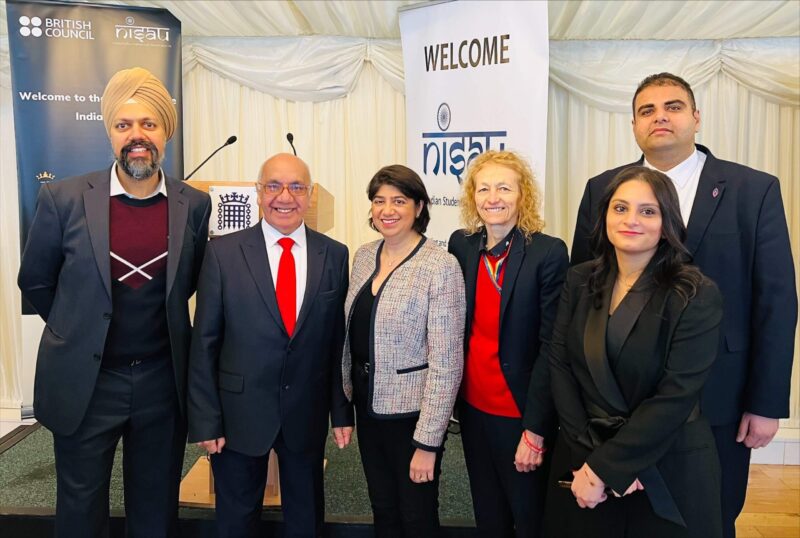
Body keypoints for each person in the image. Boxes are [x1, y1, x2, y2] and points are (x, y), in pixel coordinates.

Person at [570, 72, 797, 538]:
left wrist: (766, 400)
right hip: (620, 400)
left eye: (673, 107)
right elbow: (582, 299)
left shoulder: (753, 189)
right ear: (633, 125)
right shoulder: (603, 190)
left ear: (695, 118)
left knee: (711, 516)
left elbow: (776, 299)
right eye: (647, 110)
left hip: (720, 395)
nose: (660, 117)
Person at [17, 67, 211, 538]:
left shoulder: (194, 205)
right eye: (124, 126)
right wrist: (80, 329)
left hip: (160, 383)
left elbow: (186, 285)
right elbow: (37, 282)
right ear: (110, 133)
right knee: (80, 509)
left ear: (166, 132)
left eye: (149, 124)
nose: (137, 136)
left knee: (155, 505)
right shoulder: (62, 198)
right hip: (87, 382)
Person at [551, 166, 724, 537]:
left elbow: (676, 395)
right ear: (604, 216)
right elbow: (560, 365)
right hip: (585, 456)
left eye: (648, 211)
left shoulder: (695, 293)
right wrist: (590, 459)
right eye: (620, 208)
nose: (632, 220)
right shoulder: (580, 279)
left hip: (667, 462)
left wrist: (608, 468)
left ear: (668, 221)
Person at [187, 153, 351, 538]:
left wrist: (341, 412)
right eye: (274, 186)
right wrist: (206, 419)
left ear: (309, 196)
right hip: (238, 416)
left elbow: (336, 342)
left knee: (306, 520)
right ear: (259, 193)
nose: (285, 196)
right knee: (236, 520)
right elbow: (204, 343)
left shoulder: (334, 255)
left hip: (305, 414)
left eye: (296, 187)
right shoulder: (222, 254)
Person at [447, 150, 568, 538]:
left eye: (504, 187)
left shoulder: (546, 252)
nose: (493, 197)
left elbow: (552, 347)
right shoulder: (462, 245)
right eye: (484, 188)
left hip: (519, 412)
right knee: (488, 513)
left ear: (522, 195)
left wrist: (535, 430)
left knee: (529, 517)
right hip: (472, 409)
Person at [341, 164, 465, 538]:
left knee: (416, 515)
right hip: (368, 409)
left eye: (399, 200)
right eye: (379, 201)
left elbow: (447, 363)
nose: (387, 209)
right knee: (383, 508)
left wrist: (428, 442)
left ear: (419, 207)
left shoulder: (441, 266)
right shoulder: (364, 255)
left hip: (412, 418)